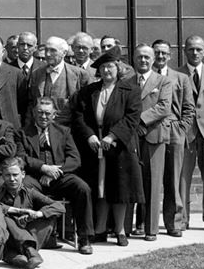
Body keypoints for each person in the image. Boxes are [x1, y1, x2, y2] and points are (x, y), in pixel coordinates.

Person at [74, 49, 143, 245]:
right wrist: (90, 136)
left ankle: (120, 230)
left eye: (110, 66)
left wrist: (112, 136)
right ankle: (100, 228)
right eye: (103, 67)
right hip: (95, 147)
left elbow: (132, 118)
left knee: (119, 189)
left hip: (119, 147)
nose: (106, 71)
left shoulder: (131, 90)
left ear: (118, 68)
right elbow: (79, 116)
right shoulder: (89, 92)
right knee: (99, 188)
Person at [20, 97, 94, 254]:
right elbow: (22, 158)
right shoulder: (23, 132)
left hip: (59, 178)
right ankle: (27, 237)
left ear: (54, 114)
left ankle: (84, 238)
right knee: (23, 187)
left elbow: (74, 159)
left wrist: (54, 172)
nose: (43, 117)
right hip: (35, 178)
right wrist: (43, 168)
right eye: (40, 112)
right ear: (34, 113)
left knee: (82, 188)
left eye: (47, 113)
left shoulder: (63, 131)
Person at [151, 39, 197, 236]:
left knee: (173, 179)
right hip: (151, 132)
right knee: (151, 179)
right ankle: (146, 223)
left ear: (169, 56)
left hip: (173, 131)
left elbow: (189, 108)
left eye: (164, 53)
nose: (160, 56)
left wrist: (181, 128)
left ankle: (174, 223)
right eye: (157, 53)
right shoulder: (147, 77)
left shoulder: (181, 78)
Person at [130, 44, 174, 241]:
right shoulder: (127, 81)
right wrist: (132, 125)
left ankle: (151, 229)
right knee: (132, 181)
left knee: (153, 184)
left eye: (147, 57)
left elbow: (164, 108)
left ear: (153, 59)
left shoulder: (163, 81)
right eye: (140, 57)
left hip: (154, 136)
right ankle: (129, 227)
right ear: (134, 58)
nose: (144, 61)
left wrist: (140, 121)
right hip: (131, 137)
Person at [177, 35, 204, 232]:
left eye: (199, 49)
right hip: (186, 133)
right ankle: (182, 219)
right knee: (182, 177)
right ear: (184, 51)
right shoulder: (176, 74)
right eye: (191, 49)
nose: (195, 53)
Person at [0, 157, 64, 269]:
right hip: (9, 240)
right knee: (4, 217)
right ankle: (27, 251)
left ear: (23, 174)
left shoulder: (30, 193)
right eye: (8, 175)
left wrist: (38, 214)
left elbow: (59, 206)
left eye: (15, 175)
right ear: (2, 176)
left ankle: (19, 255)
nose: (12, 179)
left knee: (49, 217)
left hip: (30, 233)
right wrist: (18, 211)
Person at [30, 36, 92, 129]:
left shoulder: (80, 75)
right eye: (46, 50)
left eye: (52, 50)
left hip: (70, 130)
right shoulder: (37, 74)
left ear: (64, 53)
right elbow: (31, 103)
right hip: (42, 128)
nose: (48, 54)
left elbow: (85, 108)